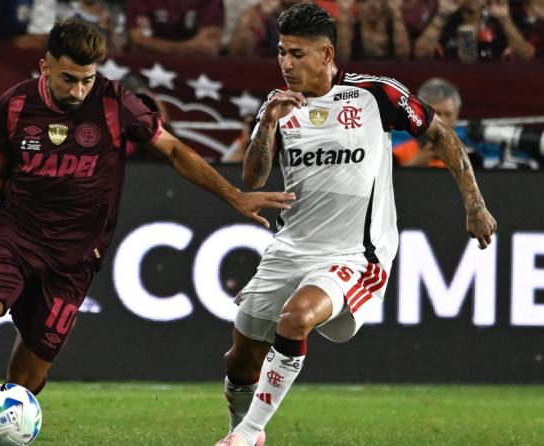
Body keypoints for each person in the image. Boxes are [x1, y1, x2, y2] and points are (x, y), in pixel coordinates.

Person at [0, 18, 294, 446]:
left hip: (72, 264)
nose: (78, 90)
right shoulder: (17, 105)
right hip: (14, 239)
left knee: (25, 384)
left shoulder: (116, 104)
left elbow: (172, 149)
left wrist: (234, 195)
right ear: (44, 66)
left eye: (87, 79)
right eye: (68, 79)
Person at [213, 4, 497, 446]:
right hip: (290, 248)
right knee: (240, 364)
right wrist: (267, 124)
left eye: (299, 54)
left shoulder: (375, 95)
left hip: (355, 254)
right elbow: (252, 178)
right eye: (283, 52)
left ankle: (248, 433)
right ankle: (240, 429)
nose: (286, 64)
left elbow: (440, 134)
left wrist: (474, 204)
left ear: (327, 55)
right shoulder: (279, 107)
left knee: (296, 318)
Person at [413, 0, 531, 61]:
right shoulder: (444, 20)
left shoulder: (499, 20)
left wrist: (505, 19)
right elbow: (420, 54)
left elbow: (525, 56)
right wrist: (442, 14)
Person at [126, 0, 225, 56]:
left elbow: (208, 47)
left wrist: (152, 44)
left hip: (198, 70)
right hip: (147, 69)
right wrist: (190, 46)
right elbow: (137, 43)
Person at [335, 0, 411, 61]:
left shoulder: (394, 26)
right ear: (357, 5)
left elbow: (404, 57)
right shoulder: (351, 30)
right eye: (365, 1)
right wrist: (344, 13)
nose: (372, 6)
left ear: (385, 3)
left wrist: (396, 13)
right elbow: (343, 59)